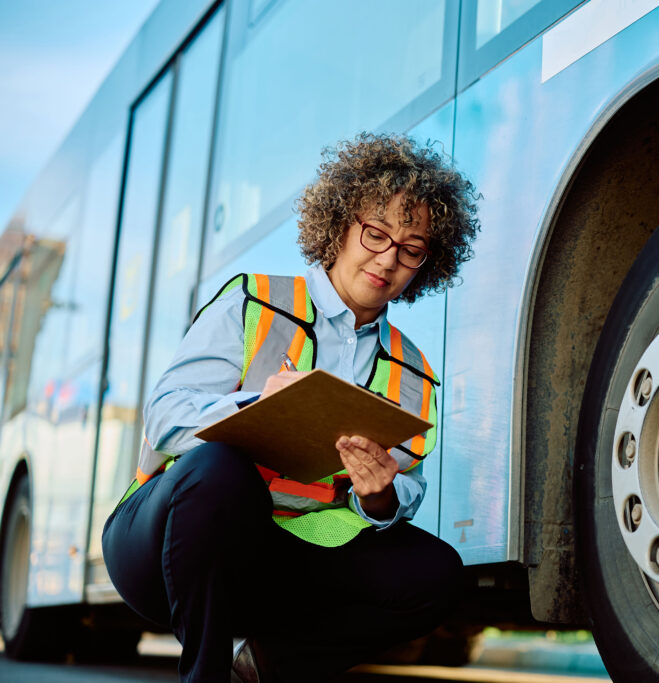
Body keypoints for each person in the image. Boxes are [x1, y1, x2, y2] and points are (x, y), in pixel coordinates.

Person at [101, 132, 480, 682]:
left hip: (280, 561)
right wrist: (255, 405)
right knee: (219, 468)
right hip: (163, 546)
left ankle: (259, 667)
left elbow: (406, 491)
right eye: (375, 234)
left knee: (439, 574)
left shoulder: (414, 373)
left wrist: (380, 498)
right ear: (340, 225)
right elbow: (163, 415)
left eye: (411, 249)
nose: (387, 259)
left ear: (428, 263)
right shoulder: (254, 301)